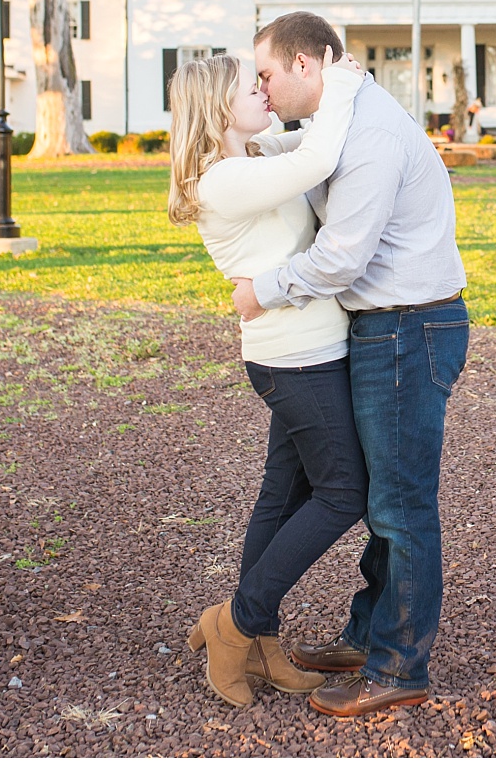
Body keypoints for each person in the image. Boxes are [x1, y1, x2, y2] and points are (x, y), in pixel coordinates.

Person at [231, 11, 469, 718]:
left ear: (307, 67)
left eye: (267, 74)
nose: (264, 89)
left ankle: (400, 666)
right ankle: (368, 637)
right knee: (380, 500)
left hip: (407, 329)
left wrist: (260, 293)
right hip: (384, 328)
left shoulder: (366, 133)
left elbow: (341, 257)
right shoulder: (341, 114)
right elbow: (292, 154)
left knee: (400, 505)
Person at [165, 47, 369, 707]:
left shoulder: (246, 160)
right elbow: (317, 158)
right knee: (344, 493)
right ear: (216, 106)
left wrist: (319, 94)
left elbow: (299, 137)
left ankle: (259, 642)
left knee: (280, 501)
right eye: (249, 86)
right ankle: (236, 623)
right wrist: (340, 82)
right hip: (297, 358)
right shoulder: (222, 179)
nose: (263, 90)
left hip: (297, 352)